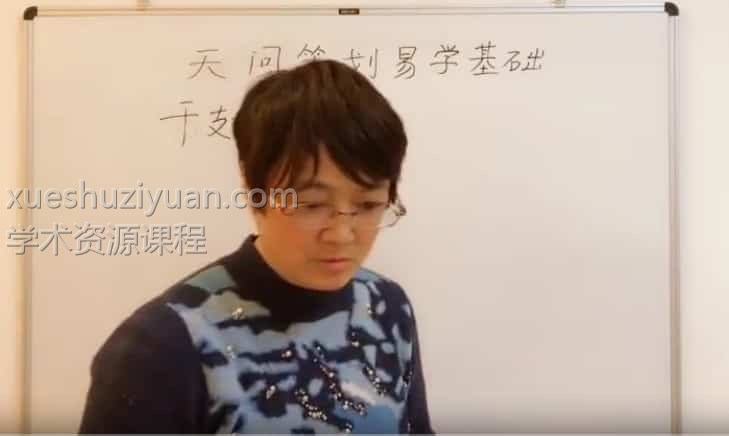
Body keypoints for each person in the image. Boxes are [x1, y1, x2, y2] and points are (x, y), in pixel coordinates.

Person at [78, 59, 433, 434]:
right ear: (253, 189)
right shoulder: (162, 346)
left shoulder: (387, 307)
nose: (342, 234)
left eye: (368, 205)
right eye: (312, 205)